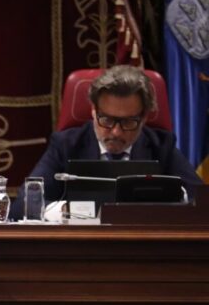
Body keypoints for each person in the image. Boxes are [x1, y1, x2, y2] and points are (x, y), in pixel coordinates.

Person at [10, 65, 202, 219]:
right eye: (107, 120)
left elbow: (202, 202)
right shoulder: (66, 145)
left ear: (144, 117)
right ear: (93, 111)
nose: (116, 132)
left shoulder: (162, 147)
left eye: (128, 122)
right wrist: (71, 211)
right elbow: (22, 207)